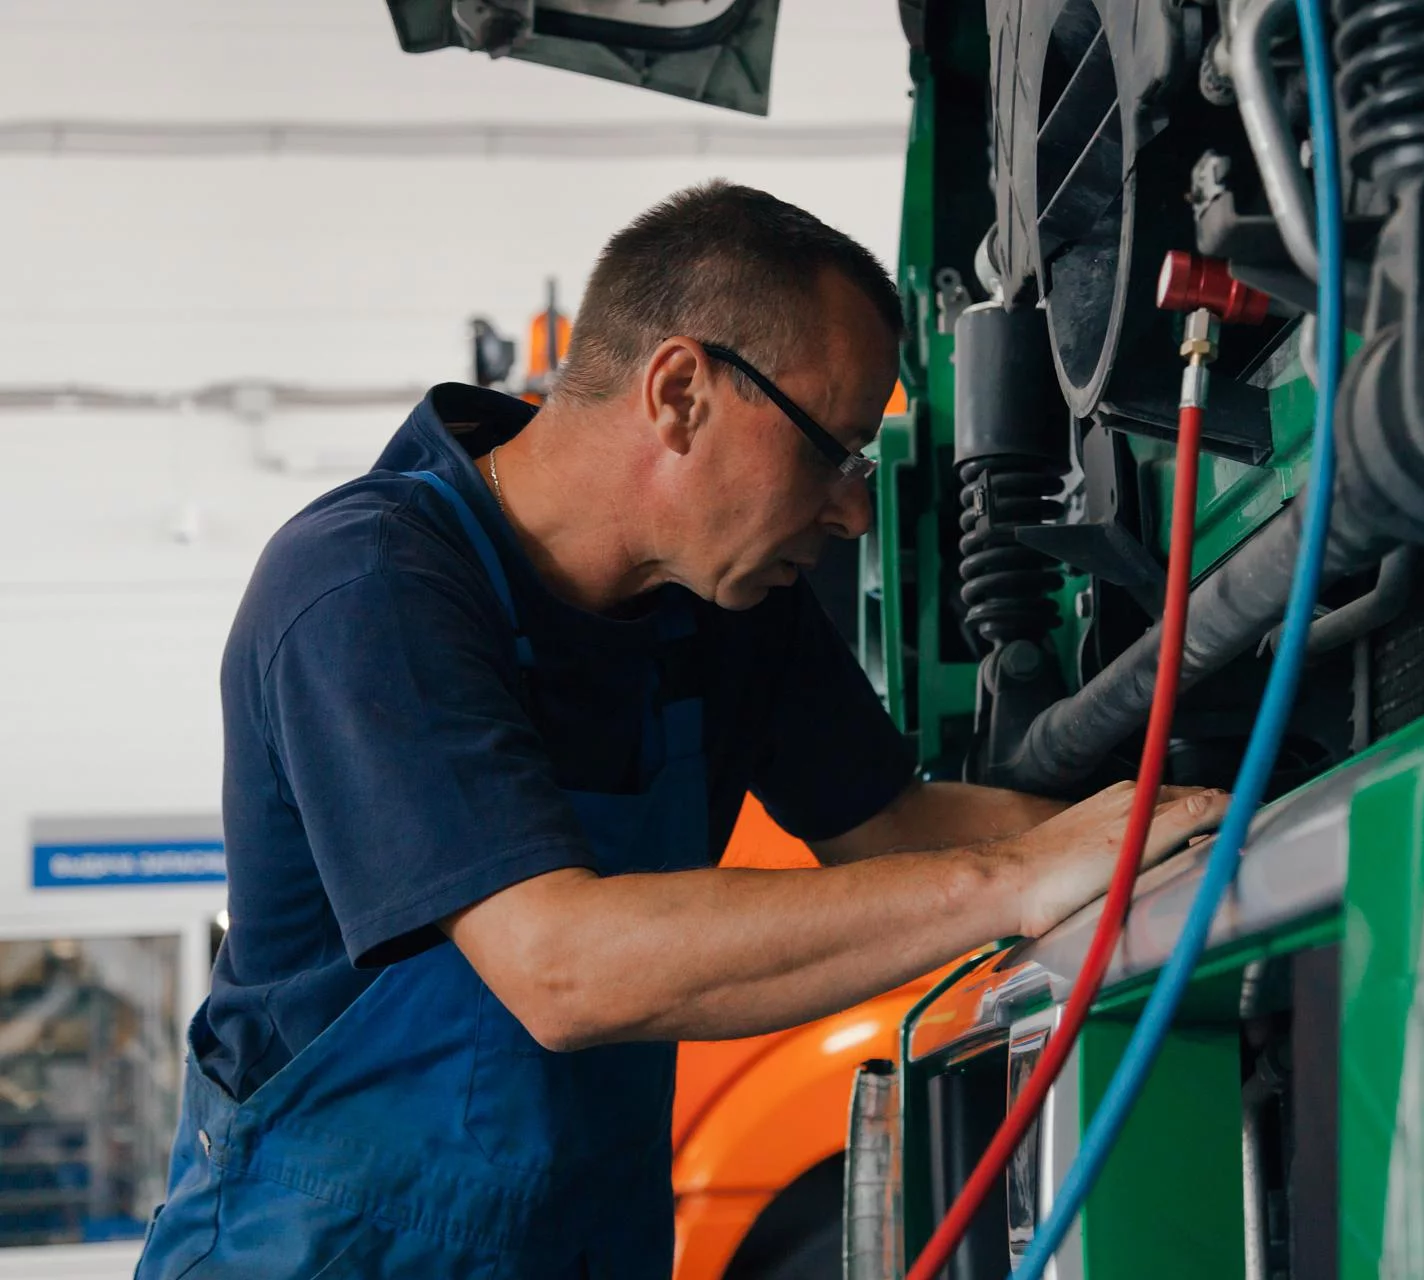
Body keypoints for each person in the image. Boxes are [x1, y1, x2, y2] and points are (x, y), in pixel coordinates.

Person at [133, 181, 1225, 1278]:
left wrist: (1180, 828)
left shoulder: (726, 601)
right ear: (679, 393)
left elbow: (890, 823)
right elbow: (559, 966)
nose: (853, 509)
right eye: (834, 450)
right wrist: (1009, 880)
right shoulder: (366, 587)